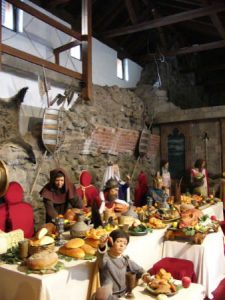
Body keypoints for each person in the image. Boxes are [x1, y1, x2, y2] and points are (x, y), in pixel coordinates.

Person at [96, 229, 146, 299]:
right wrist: (102, 246)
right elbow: (100, 256)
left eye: (125, 243)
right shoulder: (105, 259)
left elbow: (139, 270)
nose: (122, 245)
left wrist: (146, 276)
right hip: (110, 296)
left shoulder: (125, 259)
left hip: (124, 294)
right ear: (111, 242)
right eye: (118, 241)